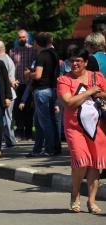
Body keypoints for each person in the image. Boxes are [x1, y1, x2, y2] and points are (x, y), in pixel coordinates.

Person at [56, 48, 106, 214]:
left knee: (94, 164)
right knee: (81, 160)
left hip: (97, 126)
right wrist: (91, 92)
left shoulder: (96, 76)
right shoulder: (64, 80)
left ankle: (91, 201)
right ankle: (75, 194)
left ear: (85, 62)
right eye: (72, 60)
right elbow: (69, 102)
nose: (74, 64)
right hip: (74, 126)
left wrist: (101, 95)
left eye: (78, 60)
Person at [24, 32, 60, 157]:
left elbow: (38, 75)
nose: (33, 44)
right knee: (44, 121)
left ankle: (49, 149)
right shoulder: (53, 54)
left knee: (44, 122)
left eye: (34, 42)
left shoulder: (42, 56)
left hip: (42, 91)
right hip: (51, 89)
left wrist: (29, 74)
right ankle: (42, 148)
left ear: (38, 43)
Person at [10, 29, 36, 140]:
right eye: (20, 37)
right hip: (17, 84)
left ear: (27, 38)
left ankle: (29, 132)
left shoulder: (32, 50)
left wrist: (30, 72)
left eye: (24, 37)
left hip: (29, 83)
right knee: (17, 109)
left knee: (29, 109)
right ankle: (20, 131)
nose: (22, 39)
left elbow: (35, 64)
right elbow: (10, 68)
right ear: (17, 38)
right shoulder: (13, 51)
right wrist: (12, 80)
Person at [0, 40, 18, 148]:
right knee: (8, 118)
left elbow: (6, 78)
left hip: (7, 94)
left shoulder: (1, 60)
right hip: (10, 93)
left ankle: (10, 141)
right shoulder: (8, 58)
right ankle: (10, 140)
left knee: (6, 118)